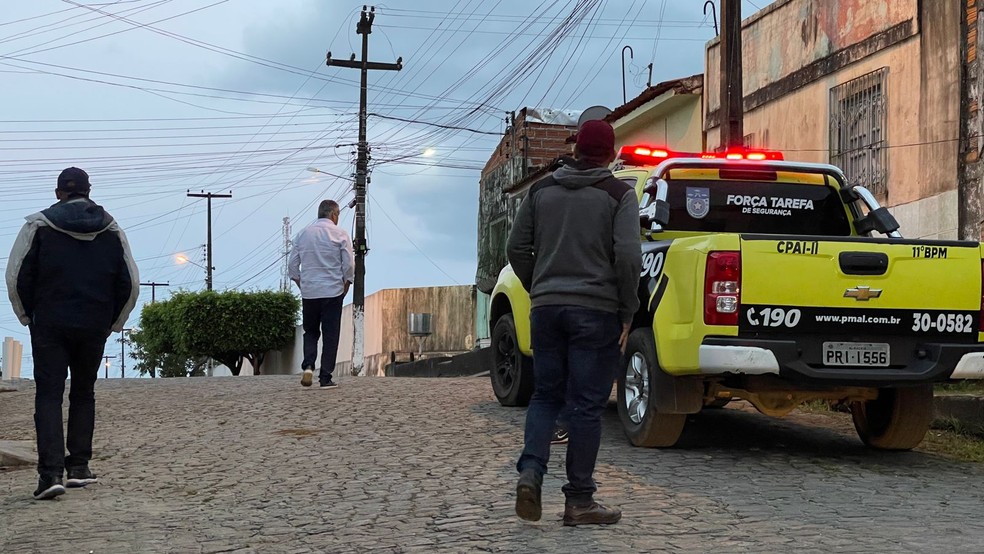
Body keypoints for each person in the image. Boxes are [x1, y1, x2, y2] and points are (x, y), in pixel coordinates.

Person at [507, 120, 641, 526]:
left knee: (546, 396)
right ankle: (580, 501)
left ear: (576, 149)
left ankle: (531, 471)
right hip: (597, 312)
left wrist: (540, 287)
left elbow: (516, 247)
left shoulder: (541, 191)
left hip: (546, 310)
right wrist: (627, 309)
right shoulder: (620, 194)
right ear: (612, 154)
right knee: (585, 406)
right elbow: (629, 258)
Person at [6, 167, 140, 500]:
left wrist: (27, 316)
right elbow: (130, 282)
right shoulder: (112, 230)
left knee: (48, 395)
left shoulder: (38, 227)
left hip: (49, 322)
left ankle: (50, 475)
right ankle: (79, 467)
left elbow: (16, 277)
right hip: (94, 323)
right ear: (89, 191)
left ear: (58, 194)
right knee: (84, 392)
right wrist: (114, 322)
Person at [288, 200, 354, 389]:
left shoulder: (303, 234)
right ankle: (325, 377)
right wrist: (347, 282)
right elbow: (348, 264)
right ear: (334, 214)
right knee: (330, 334)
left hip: (310, 293)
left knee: (311, 332)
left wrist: (301, 282)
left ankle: (308, 365)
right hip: (333, 291)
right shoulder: (340, 234)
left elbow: (292, 266)